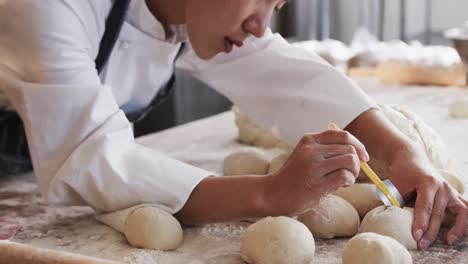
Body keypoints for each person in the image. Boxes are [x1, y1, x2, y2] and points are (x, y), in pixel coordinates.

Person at [0, 0, 466, 251]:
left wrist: (404, 153)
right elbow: (88, 156)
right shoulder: (48, 6)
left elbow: (281, 73)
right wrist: (266, 195)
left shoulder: (187, 10)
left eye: (277, 3)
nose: (261, 24)